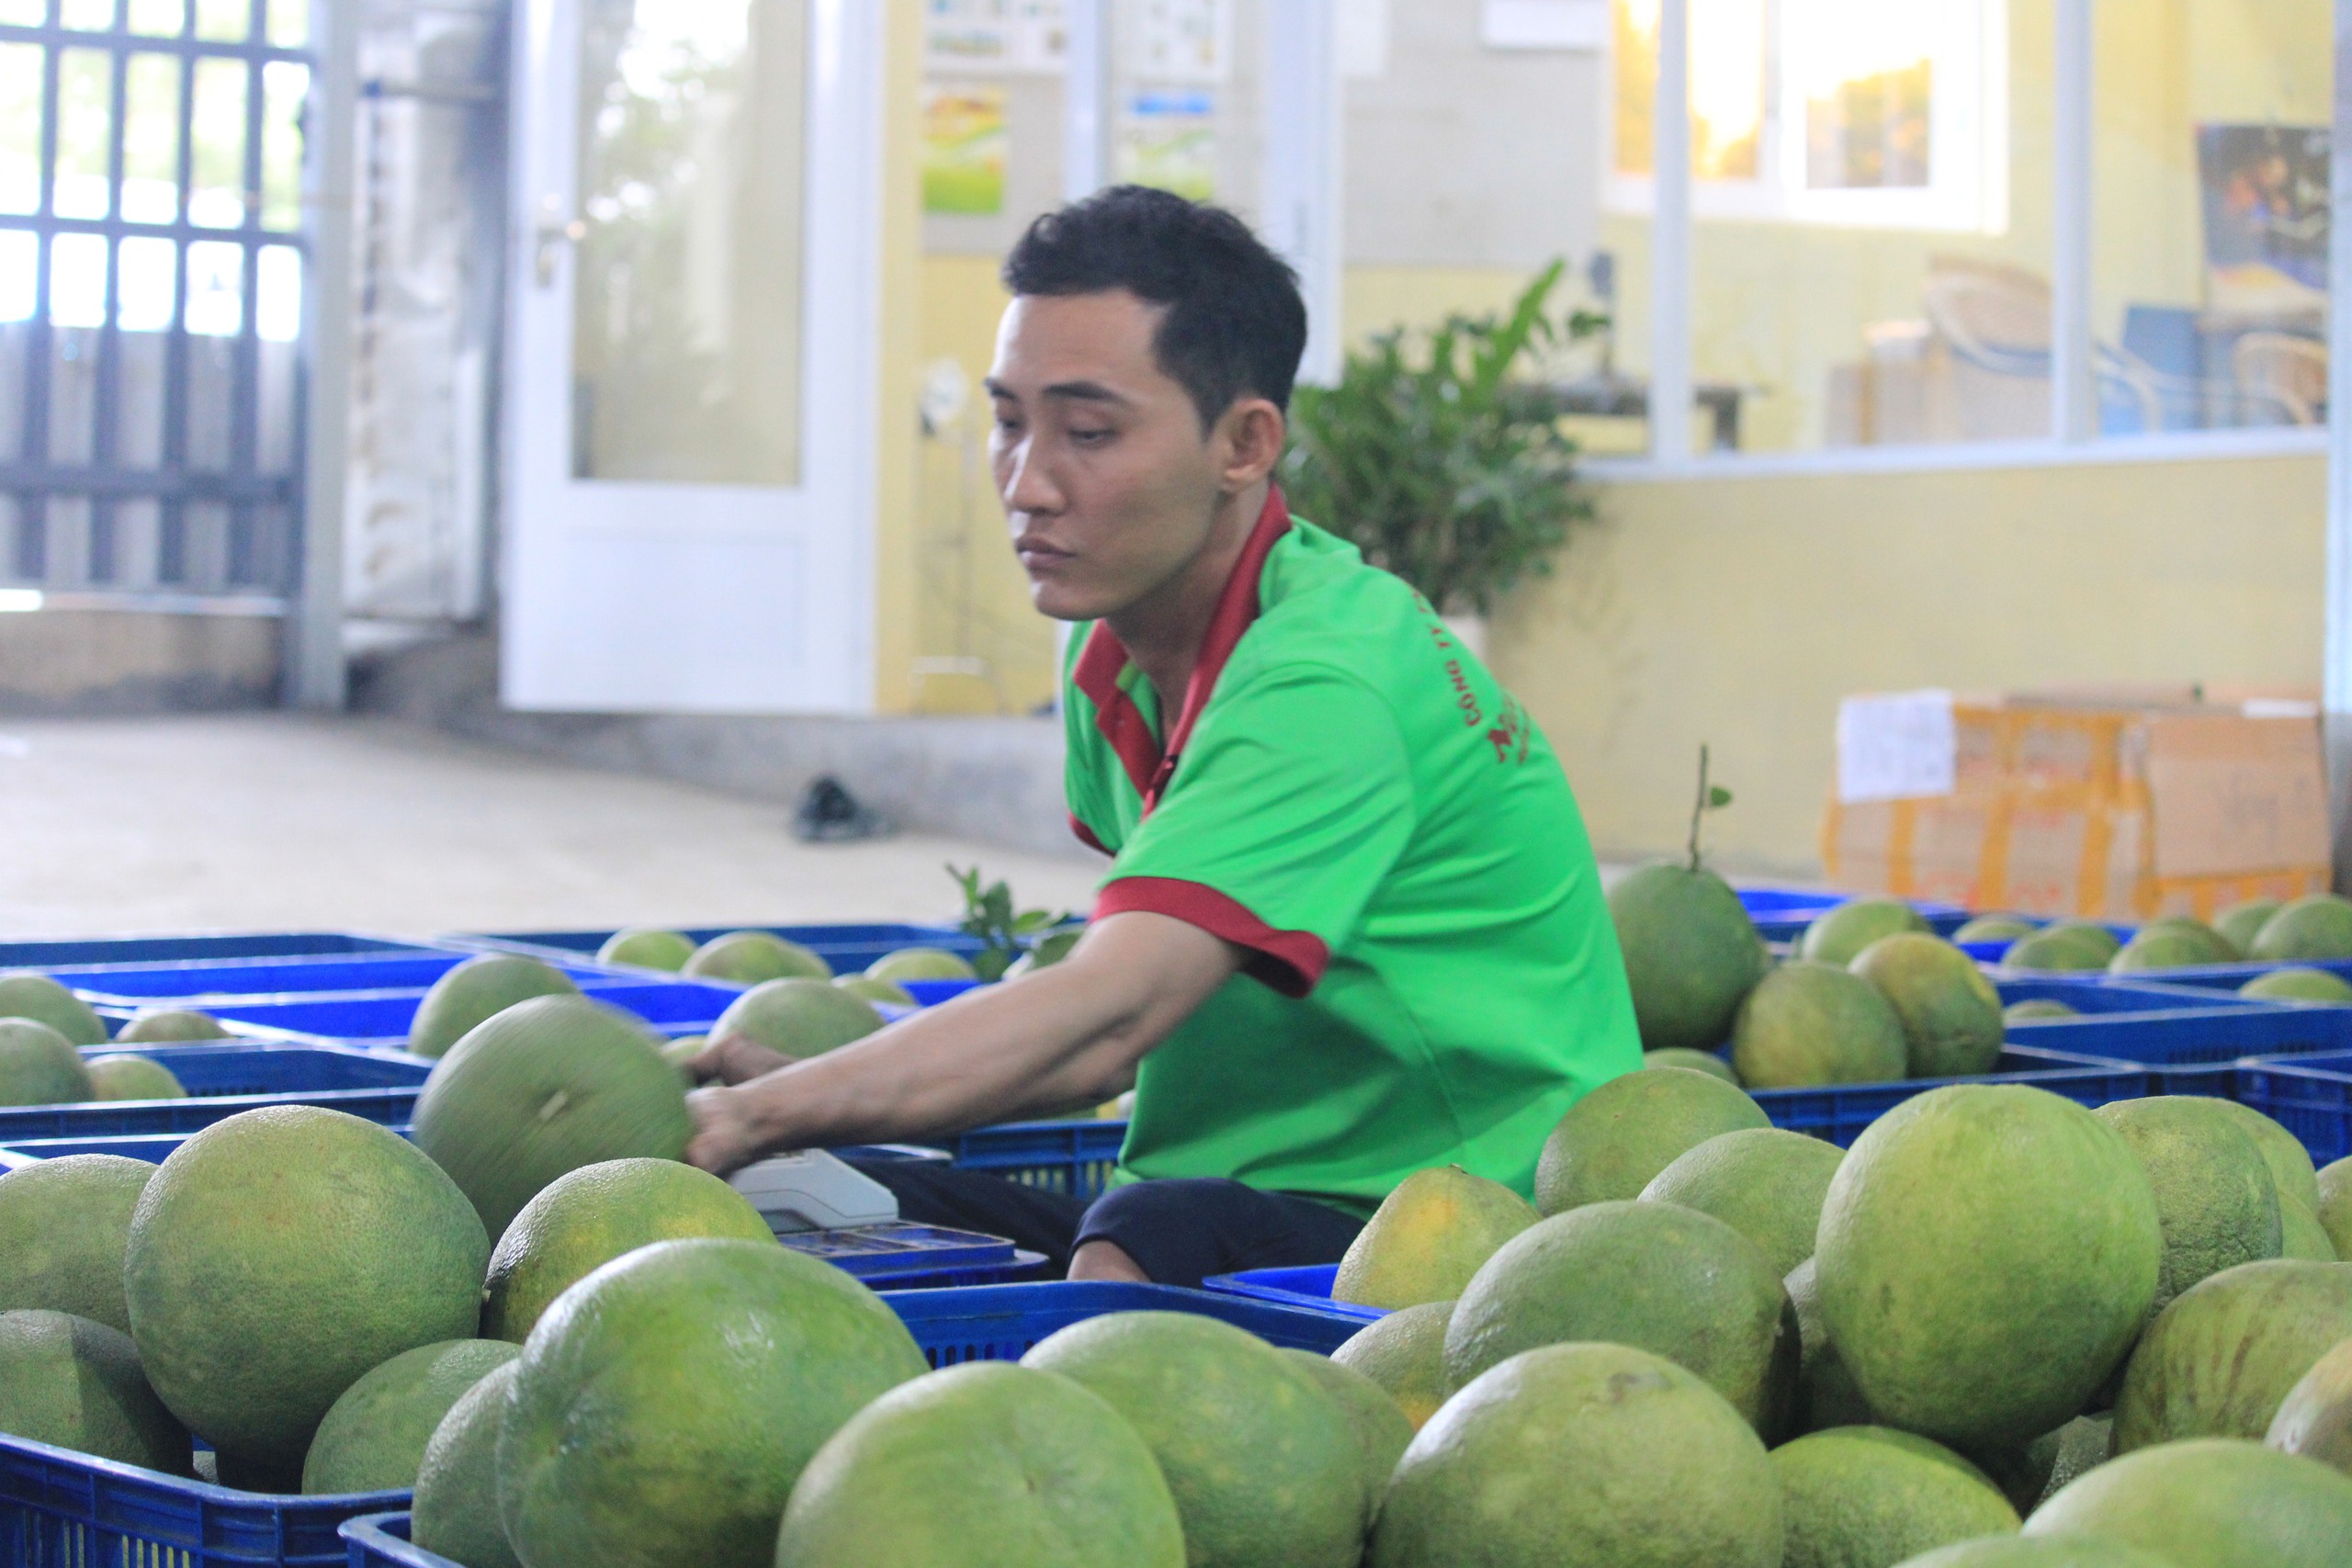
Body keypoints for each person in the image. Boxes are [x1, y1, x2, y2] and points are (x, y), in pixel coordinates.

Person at [684, 185, 1640, 1287]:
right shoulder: (1117, 655)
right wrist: (813, 1096)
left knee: (1145, 1233)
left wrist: (758, 1110)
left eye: (1087, 432)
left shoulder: (1327, 684)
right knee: (796, 1207)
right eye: (1008, 421)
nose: (1026, 484)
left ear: (1243, 443)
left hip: (1464, 1233)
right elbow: (1112, 1014)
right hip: (1234, 1193)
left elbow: (1106, 1018)